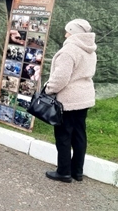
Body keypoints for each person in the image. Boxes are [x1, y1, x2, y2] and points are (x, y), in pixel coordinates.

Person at [44, 19, 97, 183]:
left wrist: (47, 89)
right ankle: (77, 171)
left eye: (68, 31)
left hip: (68, 100)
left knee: (64, 135)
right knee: (80, 135)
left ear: (73, 32)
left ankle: (64, 172)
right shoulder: (90, 50)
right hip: (85, 98)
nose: (65, 34)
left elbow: (60, 78)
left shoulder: (69, 51)